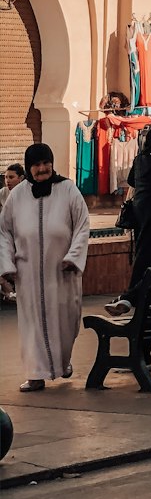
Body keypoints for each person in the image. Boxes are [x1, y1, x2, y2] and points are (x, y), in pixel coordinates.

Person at [0, 143, 90, 392]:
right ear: (29, 167)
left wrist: (74, 257)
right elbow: (4, 232)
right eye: (36, 165)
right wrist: (6, 266)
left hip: (62, 272)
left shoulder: (68, 190)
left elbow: (82, 226)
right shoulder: (17, 195)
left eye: (45, 163)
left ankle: (62, 362)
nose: (42, 169)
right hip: (28, 275)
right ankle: (35, 374)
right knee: (32, 327)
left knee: (65, 322)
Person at [104, 124, 151, 317]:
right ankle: (136, 294)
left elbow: (132, 181)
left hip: (141, 211)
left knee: (144, 252)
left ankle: (135, 293)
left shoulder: (141, 159)